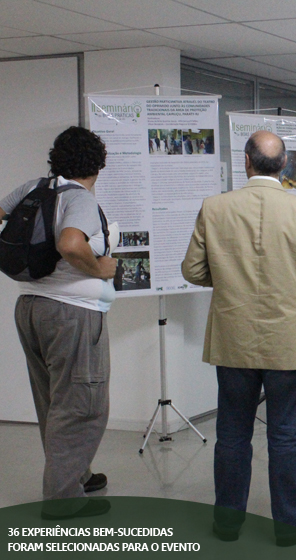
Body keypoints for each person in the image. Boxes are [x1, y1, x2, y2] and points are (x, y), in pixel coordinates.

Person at [182, 130, 296, 544]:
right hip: (289, 340)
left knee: (232, 432)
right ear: (284, 164)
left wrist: (229, 278)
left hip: (232, 339)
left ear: (246, 163)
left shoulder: (214, 208)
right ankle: (289, 525)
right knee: (286, 433)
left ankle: (228, 523)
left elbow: (192, 271)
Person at [0, 126, 117, 518]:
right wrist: (100, 269)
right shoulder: (79, 199)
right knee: (83, 403)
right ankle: (64, 500)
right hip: (72, 314)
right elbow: (70, 243)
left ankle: (77, 473)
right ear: (98, 163)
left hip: (31, 308)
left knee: (54, 399)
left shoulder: (34, 188)